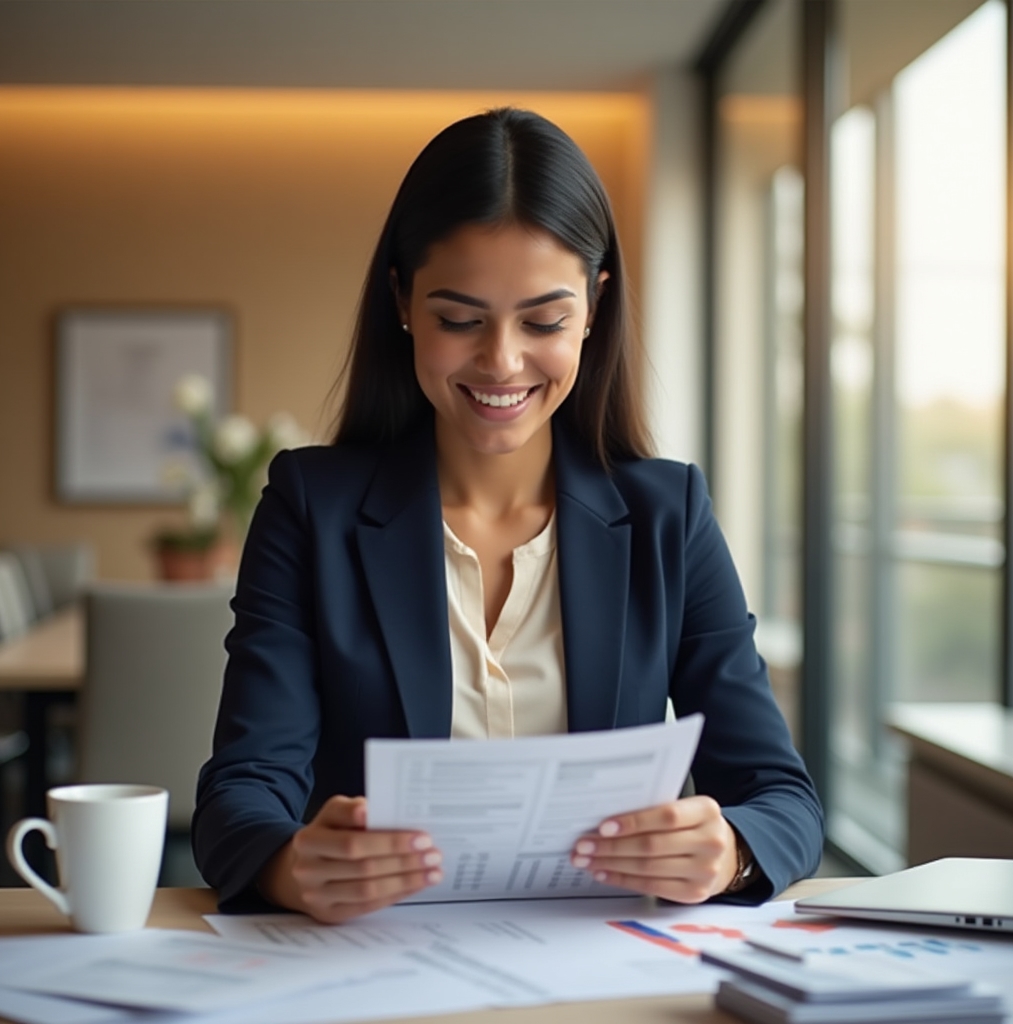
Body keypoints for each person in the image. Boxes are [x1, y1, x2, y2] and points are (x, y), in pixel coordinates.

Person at [192, 108, 824, 922]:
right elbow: (240, 793)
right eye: (460, 319)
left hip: (603, 970)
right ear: (403, 301)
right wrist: (288, 866)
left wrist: (730, 848)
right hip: (372, 966)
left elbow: (783, 798)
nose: (501, 361)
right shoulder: (311, 508)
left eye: (544, 320)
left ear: (594, 309)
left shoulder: (670, 516)